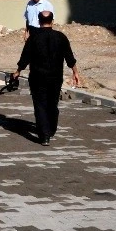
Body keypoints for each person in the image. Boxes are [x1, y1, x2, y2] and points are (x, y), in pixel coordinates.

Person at [12, 11, 80, 146]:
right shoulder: (61, 37)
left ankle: (44, 136)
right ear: (52, 21)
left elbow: (25, 57)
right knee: (53, 104)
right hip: (55, 77)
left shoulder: (33, 38)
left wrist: (18, 71)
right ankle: (51, 129)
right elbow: (69, 57)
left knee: (40, 105)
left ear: (39, 21)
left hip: (37, 77)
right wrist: (75, 72)